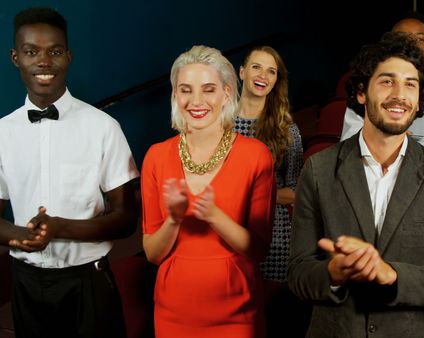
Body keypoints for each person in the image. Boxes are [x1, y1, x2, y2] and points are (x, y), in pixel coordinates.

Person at [288, 32, 424, 338]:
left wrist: (391, 274)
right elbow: (298, 273)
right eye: (387, 81)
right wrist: (333, 273)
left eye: (410, 85)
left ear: (418, 100)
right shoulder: (318, 169)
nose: (399, 94)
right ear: (361, 92)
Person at [0, 7, 139, 338]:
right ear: (15, 57)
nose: (44, 61)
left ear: (69, 56)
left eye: (55, 51)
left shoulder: (104, 128)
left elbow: (126, 219)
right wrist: (21, 236)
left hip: (87, 282)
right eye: (32, 51)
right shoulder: (3, 132)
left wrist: (60, 227)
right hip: (25, 283)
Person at [141, 45, 275, 338]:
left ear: (227, 93)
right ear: (175, 95)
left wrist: (215, 216)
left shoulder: (256, 155)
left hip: (237, 316)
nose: (196, 101)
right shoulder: (156, 156)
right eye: (186, 90)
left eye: (209, 89)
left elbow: (259, 249)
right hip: (172, 314)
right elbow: (152, 253)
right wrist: (174, 220)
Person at [341, 12, 424, 189]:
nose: (411, 45)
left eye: (420, 39)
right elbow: (347, 155)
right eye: (402, 38)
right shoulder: (366, 91)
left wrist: (411, 154)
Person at [235, 45, 306, 337]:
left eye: (271, 71)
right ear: (241, 72)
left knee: (269, 321)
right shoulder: (218, 123)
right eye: (256, 67)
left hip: (274, 237)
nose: (262, 75)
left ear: (277, 80)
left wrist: (248, 193)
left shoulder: (286, 129)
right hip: (227, 234)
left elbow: (296, 191)